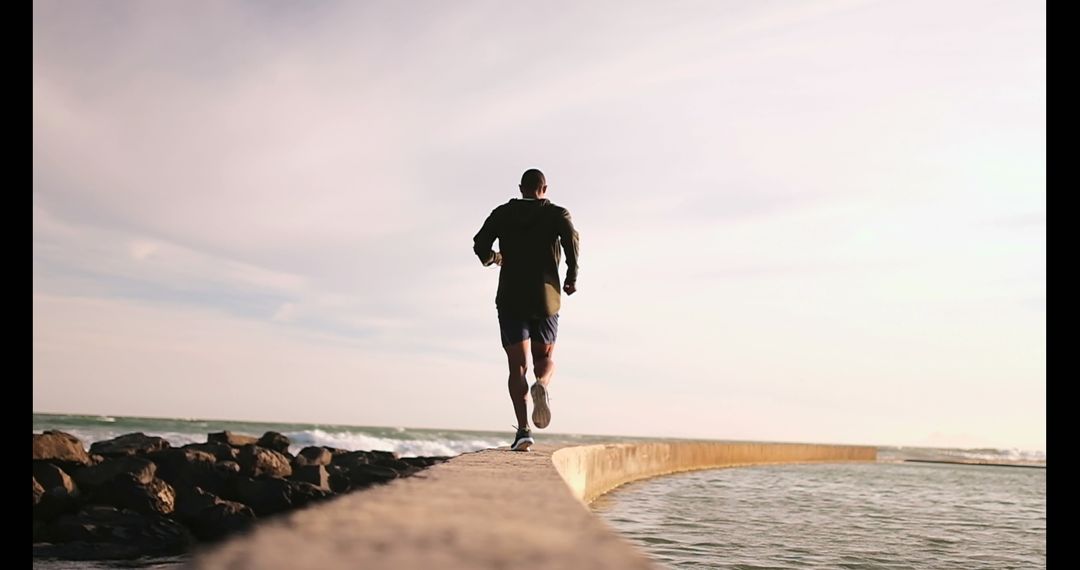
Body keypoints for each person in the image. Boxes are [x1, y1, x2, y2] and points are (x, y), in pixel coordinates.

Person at [473, 168, 580, 451]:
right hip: (546, 299)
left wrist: (494, 258)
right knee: (543, 359)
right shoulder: (557, 214)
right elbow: (571, 241)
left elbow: (479, 244)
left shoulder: (502, 213)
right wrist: (571, 276)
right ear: (544, 188)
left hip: (511, 298)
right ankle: (542, 383)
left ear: (521, 188)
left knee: (517, 367)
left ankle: (523, 431)